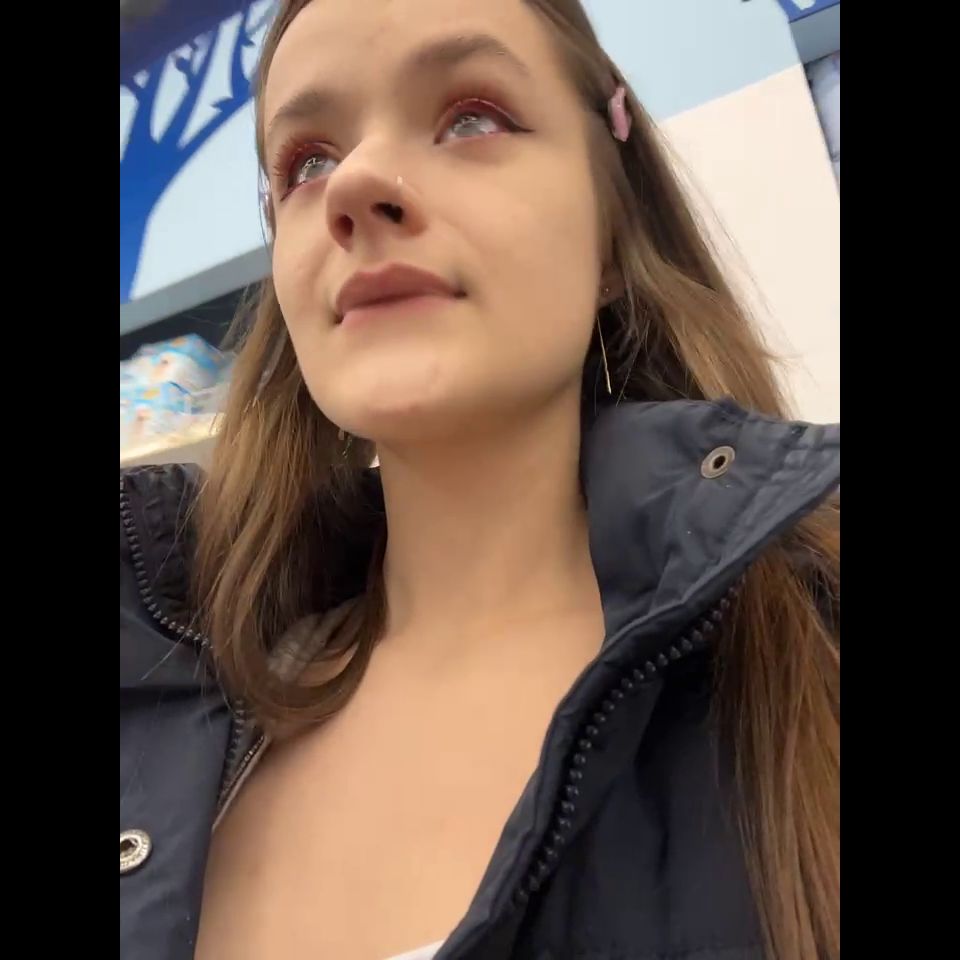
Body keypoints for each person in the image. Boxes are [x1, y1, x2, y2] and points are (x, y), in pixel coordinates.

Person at [119, 1, 840, 958]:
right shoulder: (168, 686)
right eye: (307, 163)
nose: (354, 184)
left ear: (612, 228)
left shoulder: (812, 651)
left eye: (473, 118)